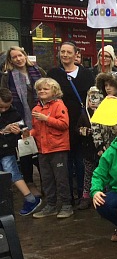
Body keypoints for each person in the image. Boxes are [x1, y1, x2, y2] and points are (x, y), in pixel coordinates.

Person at [47, 41, 95, 205]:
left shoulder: (86, 74)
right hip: (60, 122)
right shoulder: (53, 73)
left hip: (81, 123)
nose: (65, 55)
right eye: (62, 52)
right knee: (65, 161)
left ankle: (83, 194)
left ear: (76, 54)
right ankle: (68, 196)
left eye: (68, 52)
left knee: (81, 160)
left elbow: (92, 96)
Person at [28, 78, 72, 219]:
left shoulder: (59, 105)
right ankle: (51, 206)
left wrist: (46, 119)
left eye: (45, 89)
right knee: (46, 179)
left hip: (58, 148)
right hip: (43, 150)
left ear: (54, 91)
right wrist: (27, 135)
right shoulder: (36, 109)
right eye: (39, 89)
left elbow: (64, 124)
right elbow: (36, 128)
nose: (42, 91)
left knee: (61, 179)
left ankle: (66, 205)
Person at [1, 46, 45, 188]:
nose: (18, 59)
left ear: (25, 56)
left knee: (41, 150)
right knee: (25, 149)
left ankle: (45, 182)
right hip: (19, 117)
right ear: (11, 60)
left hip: (40, 115)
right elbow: (4, 96)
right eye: (14, 57)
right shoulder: (7, 76)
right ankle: (29, 182)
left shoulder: (38, 71)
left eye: (20, 55)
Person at [0, 88, 42, 215]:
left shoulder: (14, 113)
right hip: (4, 145)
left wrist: (19, 131)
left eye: (6, 107)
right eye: (1, 107)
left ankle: (30, 198)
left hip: (7, 148)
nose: (3, 110)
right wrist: (3, 130)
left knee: (12, 171)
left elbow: (24, 130)